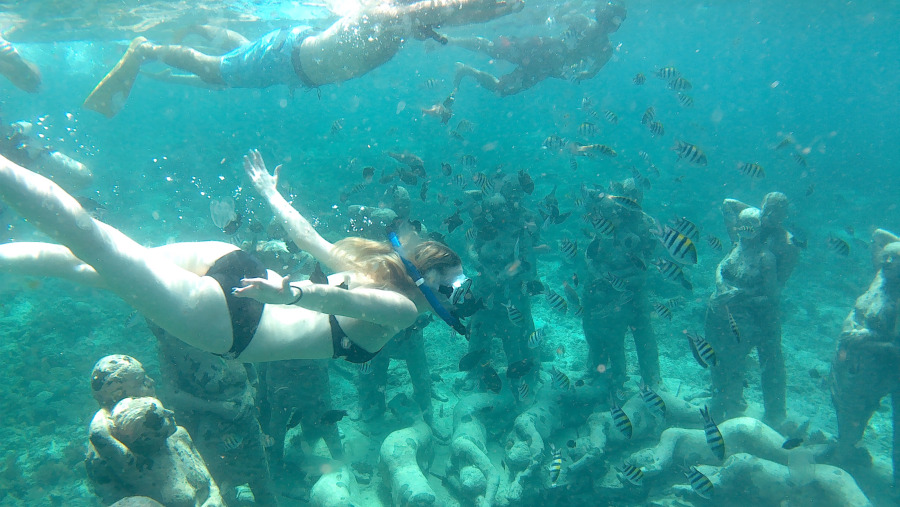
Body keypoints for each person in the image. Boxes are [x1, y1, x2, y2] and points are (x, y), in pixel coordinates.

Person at [0, 150, 471, 364]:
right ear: (429, 281)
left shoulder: (369, 270)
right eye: (453, 288)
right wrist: (290, 294)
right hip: (237, 322)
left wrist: (270, 192)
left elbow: (307, 238)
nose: (452, 300)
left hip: (237, 264)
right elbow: (343, 304)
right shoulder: (405, 311)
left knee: (89, 257)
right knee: (94, 243)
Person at [83, 0, 524, 117]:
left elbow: (435, 12)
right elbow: (439, 9)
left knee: (237, 64)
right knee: (214, 70)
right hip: (287, 60)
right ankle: (147, 50)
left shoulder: (389, 20)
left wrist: (483, 9)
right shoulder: (386, 16)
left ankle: (205, 31)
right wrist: (493, 5)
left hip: (290, 59)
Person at [704, 193, 800, 424]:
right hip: (733, 310)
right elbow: (728, 204)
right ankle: (725, 399)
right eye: (767, 209)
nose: (769, 216)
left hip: (762, 312)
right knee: (722, 355)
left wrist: (742, 297)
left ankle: (775, 414)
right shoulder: (745, 234)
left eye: (776, 213)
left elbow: (775, 291)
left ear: (785, 215)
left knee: (770, 360)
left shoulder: (785, 243)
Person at [831, 229, 900, 485]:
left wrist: (868, 340)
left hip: (889, 371)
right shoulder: (881, 279)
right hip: (859, 370)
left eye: (895, 259)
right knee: (848, 410)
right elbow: (879, 236)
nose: (888, 261)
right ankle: (847, 456)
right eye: (886, 257)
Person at [580, 178, 660, 391]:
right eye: (628, 196)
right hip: (605, 288)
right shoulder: (608, 216)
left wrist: (621, 279)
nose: (632, 201)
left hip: (634, 290)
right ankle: (607, 377)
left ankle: (652, 381)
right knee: (605, 333)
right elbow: (592, 250)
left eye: (636, 196)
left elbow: (646, 263)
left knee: (643, 334)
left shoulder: (646, 224)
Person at [448, 1, 625, 97]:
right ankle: (450, 40)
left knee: (503, 89)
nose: (605, 26)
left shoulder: (605, 49)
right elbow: (554, 16)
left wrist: (573, 74)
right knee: (493, 49)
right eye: (606, 20)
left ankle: (467, 70)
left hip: (545, 67)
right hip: (538, 49)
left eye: (611, 24)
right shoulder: (582, 22)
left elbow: (590, 73)